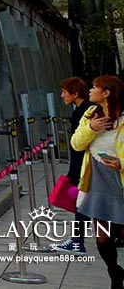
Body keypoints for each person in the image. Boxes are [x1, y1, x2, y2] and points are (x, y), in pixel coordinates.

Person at [71, 75, 124, 289]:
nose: (91, 90)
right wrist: (91, 128)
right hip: (96, 179)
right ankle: (115, 273)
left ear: (107, 93)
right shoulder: (90, 115)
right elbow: (76, 144)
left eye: (95, 87)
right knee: (102, 237)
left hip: (119, 180)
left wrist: (122, 163)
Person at [53, 77, 94, 254]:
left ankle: (78, 241)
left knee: (83, 202)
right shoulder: (82, 110)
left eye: (65, 92)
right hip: (86, 164)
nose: (62, 95)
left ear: (75, 93)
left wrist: (74, 171)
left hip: (85, 165)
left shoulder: (86, 111)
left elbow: (79, 143)